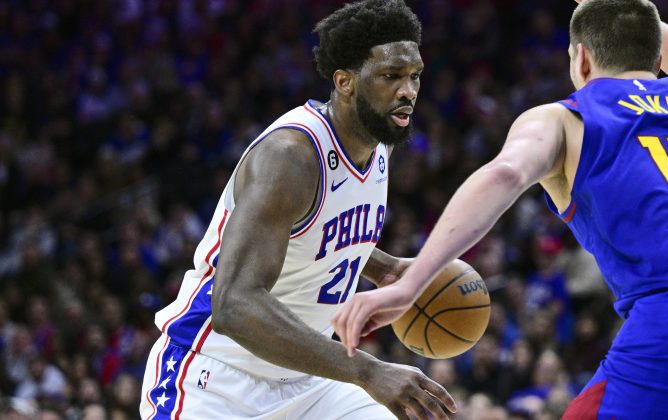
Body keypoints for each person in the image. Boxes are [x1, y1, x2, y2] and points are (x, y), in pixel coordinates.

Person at [333, 0, 668, 417]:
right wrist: (629, 15)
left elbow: (505, 174)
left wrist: (409, 283)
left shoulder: (564, 118)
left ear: (580, 60)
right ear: (657, 52)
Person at [138, 1, 456, 419]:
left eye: (414, 76)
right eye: (391, 76)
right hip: (215, 379)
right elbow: (234, 303)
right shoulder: (290, 157)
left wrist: (386, 269)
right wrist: (367, 370)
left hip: (308, 381)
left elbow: (318, 234)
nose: (408, 91)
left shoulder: (380, 143)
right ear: (345, 82)